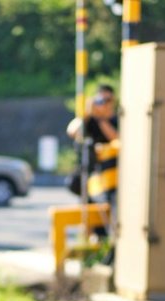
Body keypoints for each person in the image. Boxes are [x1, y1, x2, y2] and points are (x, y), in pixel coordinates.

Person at [67, 84, 119, 237]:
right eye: (100, 99)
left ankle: (103, 240)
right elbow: (72, 131)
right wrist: (87, 114)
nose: (104, 103)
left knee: (107, 210)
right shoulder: (89, 119)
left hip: (111, 176)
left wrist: (102, 119)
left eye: (107, 99)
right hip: (92, 173)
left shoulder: (115, 119)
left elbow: (115, 137)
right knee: (83, 197)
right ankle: (88, 239)